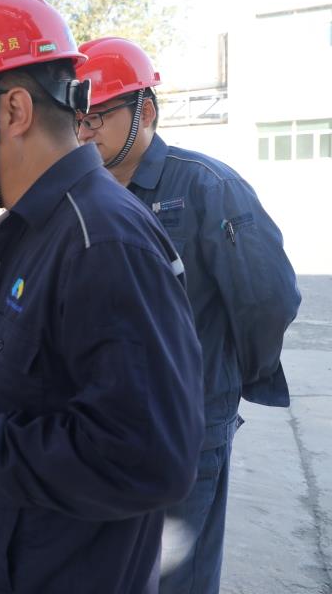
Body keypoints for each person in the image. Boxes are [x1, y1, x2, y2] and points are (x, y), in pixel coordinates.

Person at [0, 0, 205, 593]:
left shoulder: (102, 241)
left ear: (14, 111)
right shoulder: (43, 225)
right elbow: (60, 373)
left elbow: (148, 459)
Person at [75, 36, 300, 594]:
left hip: (190, 421)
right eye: (78, 118)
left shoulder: (207, 187)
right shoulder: (84, 195)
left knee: (177, 574)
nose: (84, 132)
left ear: (146, 112)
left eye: (99, 116)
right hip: (106, 421)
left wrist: (225, 379)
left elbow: (267, 299)